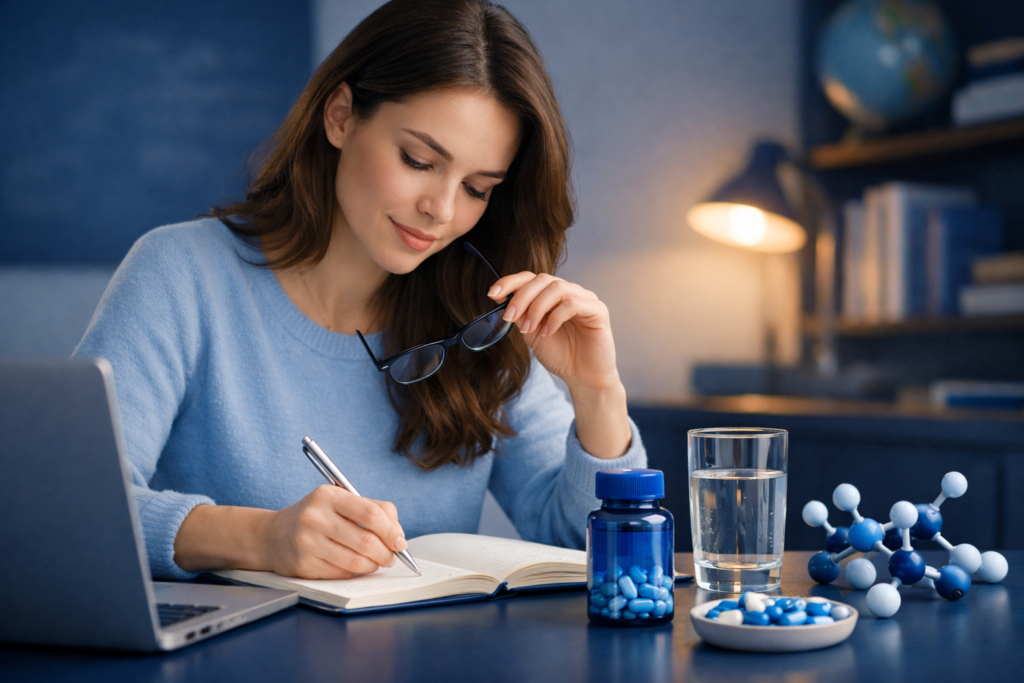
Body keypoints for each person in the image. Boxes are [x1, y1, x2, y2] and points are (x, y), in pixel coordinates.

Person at [74, 0, 647, 581]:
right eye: (419, 160)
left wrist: (597, 391)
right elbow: (75, 509)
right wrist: (258, 538)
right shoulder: (180, 273)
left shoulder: (480, 316)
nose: (441, 211)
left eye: (477, 188)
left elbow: (589, 546)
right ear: (342, 116)